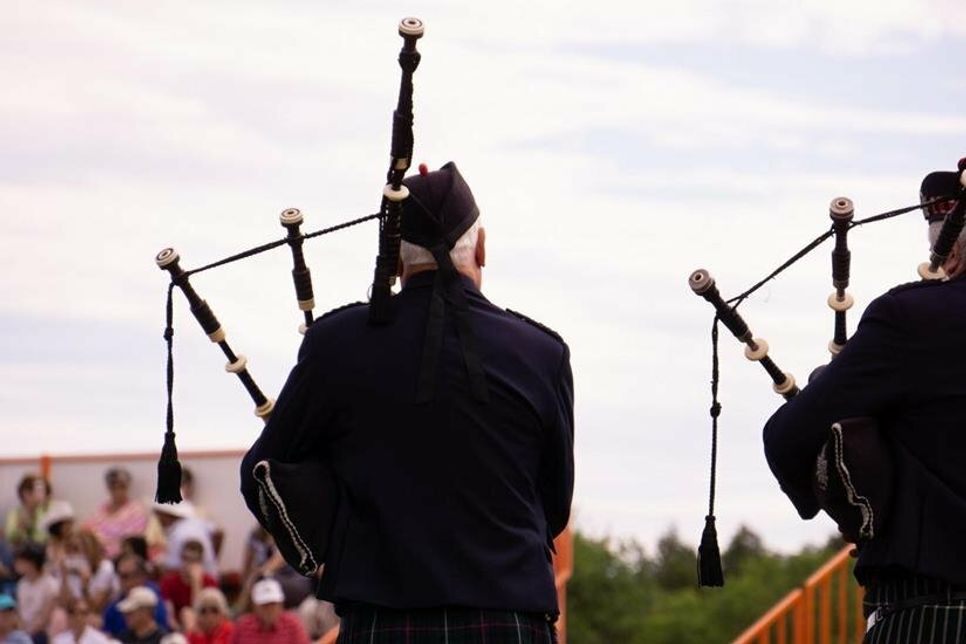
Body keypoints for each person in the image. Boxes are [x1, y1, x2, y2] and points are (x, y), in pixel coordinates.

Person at [240, 162, 574, 642]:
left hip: (382, 622)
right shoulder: (542, 353)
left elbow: (263, 473)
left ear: (395, 261)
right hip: (508, 621)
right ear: (481, 247)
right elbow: (554, 506)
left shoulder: (337, 344)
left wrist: (328, 531)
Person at [763, 167, 966, 642]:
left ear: (951, 246)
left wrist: (849, 508)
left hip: (933, 618)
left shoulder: (912, 317)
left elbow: (788, 438)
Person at [82, 468, 150, 561]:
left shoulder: (136, 510)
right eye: (113, 487)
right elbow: (87, 530)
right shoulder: (101, 509)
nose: (118, 491)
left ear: (127, 487)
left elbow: (134, 538)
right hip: (99, 555)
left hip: (124, 558)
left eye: (122, 487)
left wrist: (108, 543)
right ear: (109, 488)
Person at [102, 555, 167, 638]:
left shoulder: (152, 600)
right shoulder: (116, 604)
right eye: (118, 576)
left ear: (141, 577)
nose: (120, 581)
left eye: (125, 576)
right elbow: (106, 631)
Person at [158, 541, 217, 628]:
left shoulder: (210, 582)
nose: (188, 564)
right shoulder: (169, 582)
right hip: (178, 628)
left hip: (204, 627)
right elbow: (169, 617)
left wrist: (196, 583)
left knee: (188, 613)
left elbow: (202, 612)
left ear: (200, 562)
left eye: (193, 560)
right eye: (185, 559)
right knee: (186, 613)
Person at [230, 578, 308, 644]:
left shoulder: (292, 625)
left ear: (281, 605)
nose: (269, 609)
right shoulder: (243, 626)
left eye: (273, 604)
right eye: (265, 605)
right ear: (255, 606)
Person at [150, 505, 216, 577]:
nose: (158, 520)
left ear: (167, 515)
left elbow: (171, 567)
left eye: (159, 516)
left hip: (196, 578)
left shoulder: (178, 534)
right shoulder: (195, 521)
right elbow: (218, 532)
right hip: (210, 574)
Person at [13, 544, 58, 643]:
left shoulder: (50, 585)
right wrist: (22, 630)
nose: (16, 564)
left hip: (42, 633)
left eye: (20, 561)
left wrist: (28, 633)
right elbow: (18, 612)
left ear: (31, 563)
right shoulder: (21, 584)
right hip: (23, 630)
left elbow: (45, 618)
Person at [4, 476, 50, 549]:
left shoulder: (48, 511)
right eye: (39, 491)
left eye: (45, 491)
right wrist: (20, 528)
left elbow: (47, 536)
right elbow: (10, 537)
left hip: (44, 550)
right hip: (21, 551)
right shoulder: (14, 513)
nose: (44, 495)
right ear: (26, 493)